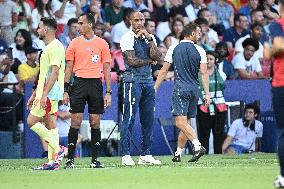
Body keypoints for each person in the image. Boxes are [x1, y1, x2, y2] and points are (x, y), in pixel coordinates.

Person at [154, 22, 210, 162]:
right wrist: (207, 94)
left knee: (180, 123)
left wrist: (155, 88)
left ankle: (197, 146)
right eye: (198, 33)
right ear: (191, 34)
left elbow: (164, 70)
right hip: (194, 91)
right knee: (186, 124)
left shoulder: (173, 48)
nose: (199, 36)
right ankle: (178, 153)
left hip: (181, 89)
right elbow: (204, 73)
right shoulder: (200, 50)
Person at [63, 13, 112, 169]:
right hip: (78, 84)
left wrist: (108, 92)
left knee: (95, 122)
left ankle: (94, 160)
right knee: (75, 121)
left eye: (81, 23)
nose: (78, 26)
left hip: (95, 84)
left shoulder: (102, 44)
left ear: (90, 25)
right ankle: (70, 160)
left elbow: (106, 69)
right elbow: (68, 67)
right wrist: (65, 90)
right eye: (77, 23)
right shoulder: (74, 43)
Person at [120, 11, 162, 166]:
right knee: (129, 117)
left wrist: (150, 39)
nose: (139, 23)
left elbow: (158, 57)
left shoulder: (149, 37)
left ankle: (146, 154)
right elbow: (131, 61)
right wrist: (149, 61)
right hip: (132, 81)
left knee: (148, 119)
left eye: (141, 20)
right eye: (136, 20)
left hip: (148, 81)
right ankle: (125, 154)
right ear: (130, 21)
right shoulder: (127, 37)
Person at [26, 17, 66, 170]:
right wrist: (35, 93)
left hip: (49, 92)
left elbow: (54, 73)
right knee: (50, 125)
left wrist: (43, 95)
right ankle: (52, 162)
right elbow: (44, 74)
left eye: (39, 27)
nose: (37, 30)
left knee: (31, 121)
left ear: (46, 30)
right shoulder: (49, 47)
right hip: (47, 92)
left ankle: (58, 149)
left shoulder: (55, 47)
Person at [263, 0, 284, 186]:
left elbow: (276, 47)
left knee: (283, 132)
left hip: (282, 83)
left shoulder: (276, 26)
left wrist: (269, 49)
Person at [197, 51, 227, 154]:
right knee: (204, 133)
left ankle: (218, 155)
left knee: (218, 133)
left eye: (211, 59)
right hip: (203, 106)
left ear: (215, 61)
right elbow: (197, 90)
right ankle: (203, 156)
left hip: (219, 106)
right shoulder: (198, 74)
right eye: (206, 59)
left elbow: (223, 88)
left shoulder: (222, 74)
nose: (208, 61)